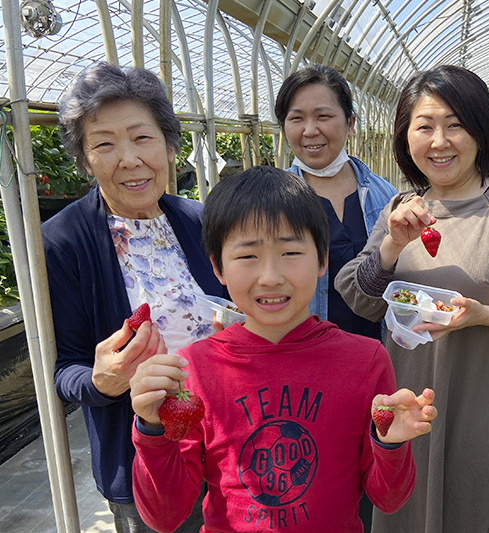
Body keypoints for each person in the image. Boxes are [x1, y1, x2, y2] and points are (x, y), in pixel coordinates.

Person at [334, 65, 489, 532]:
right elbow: (361, 298)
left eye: (455, 124)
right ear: (406, 137)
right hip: (404, 400)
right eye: (424, 126)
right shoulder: (399, 210)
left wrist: (483, 314)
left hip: (479, 404)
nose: (439, 140)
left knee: (472, 507)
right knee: (402, 507)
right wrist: (390, 246)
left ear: (481, 132)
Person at [127, 166, 438, 533]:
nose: (271, 276)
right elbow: (165, 516)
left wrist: (390, 444)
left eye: (291, 252)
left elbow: (388, 499)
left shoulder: (365, 360)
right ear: (218, 268)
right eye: (247, 257)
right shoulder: (193, 370)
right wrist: (150, 429)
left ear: (322, 260)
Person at [43, 62, 226, 532]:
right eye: (104, 143)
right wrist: (102, 380)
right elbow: (63, 371)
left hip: (226, 442)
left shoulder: (199, 220)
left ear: (168, 145)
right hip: (148, 459)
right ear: (85, 160)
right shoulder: (63, 243)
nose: (128, 158)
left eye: (142, 137)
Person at [275, 64, 398, 530]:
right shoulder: (275, 204)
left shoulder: (385, 198)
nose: (310, 131)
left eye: (324, 116)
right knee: (308, 480)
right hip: (300, 373)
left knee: (367, 471)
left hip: (371, 365)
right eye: (295, 117)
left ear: (349, 121)